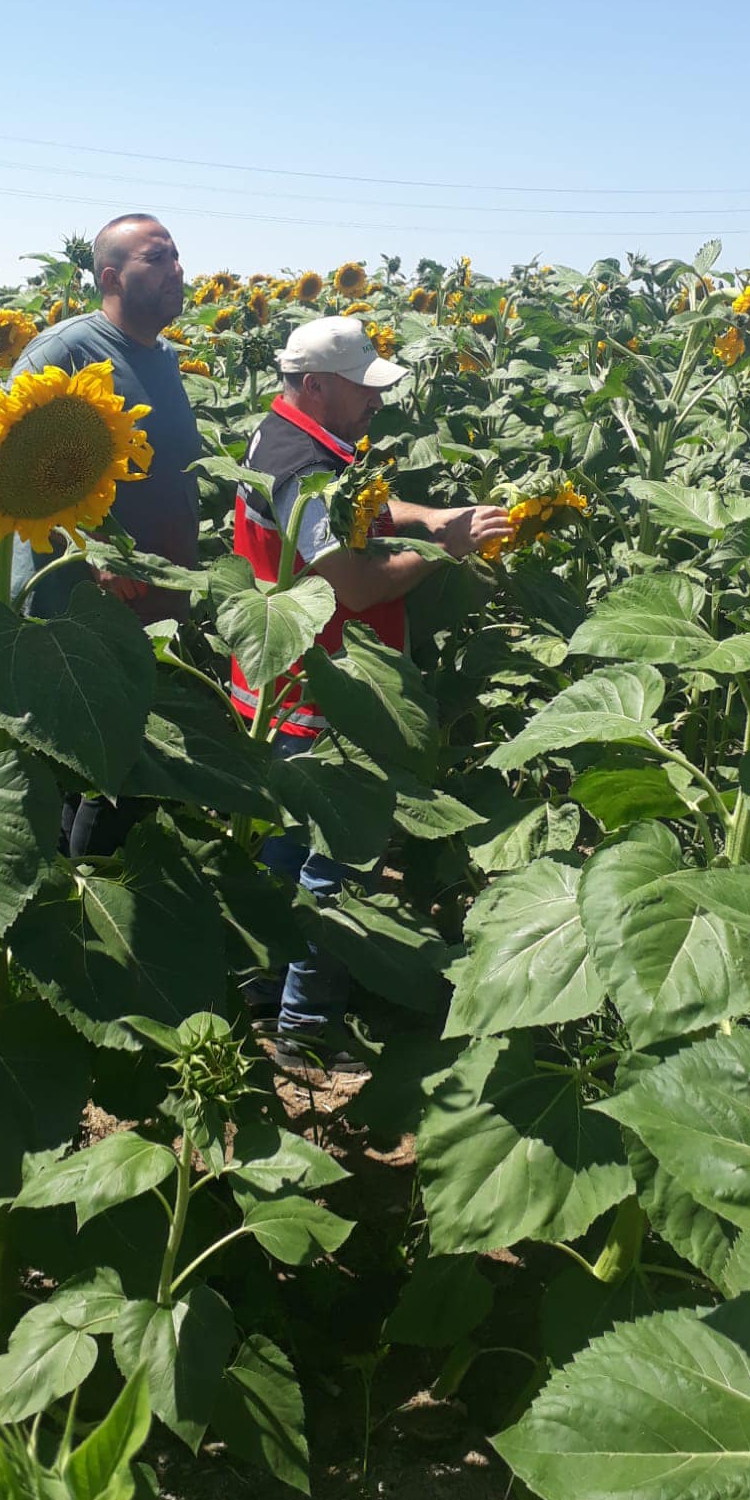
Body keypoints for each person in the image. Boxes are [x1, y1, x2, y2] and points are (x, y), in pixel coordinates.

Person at [230, 315, 512, 1072]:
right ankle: (306, 1027)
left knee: (281, 851)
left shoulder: (294, 439)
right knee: (334, 863)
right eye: (363, 390)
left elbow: (376, 514)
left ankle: (259, 988)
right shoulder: (301, 472)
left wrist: (440, 517)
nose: (375, 403)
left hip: (285, 688)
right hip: (324, 694)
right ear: (317, 385)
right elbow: (350, 585)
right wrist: (440, 549)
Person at [10, 213, 201, 857]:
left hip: (153, 602)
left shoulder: (164, 358)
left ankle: (84, 899)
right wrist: (88, 558)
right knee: (101, 772)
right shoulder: (66, 353)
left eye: (177, 256)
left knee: (127, 770)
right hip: (83, 609)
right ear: (112, 276)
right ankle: (80, 914)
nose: (178, 269)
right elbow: (12, 474)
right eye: (159, 258)